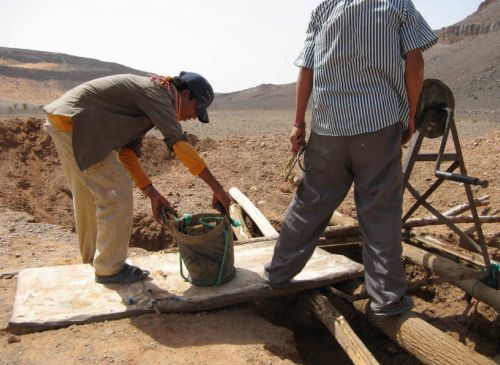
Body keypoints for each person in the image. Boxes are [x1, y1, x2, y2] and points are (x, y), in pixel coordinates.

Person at [264, 0, 437, 316]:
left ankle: (278, 273)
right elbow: (415, 61)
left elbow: (307, 67)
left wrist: (298, 122)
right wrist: (410, 114)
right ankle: (386, 300)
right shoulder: (396, 3)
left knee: (309, 203)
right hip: (378, 124)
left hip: (329, 127)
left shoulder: (323, 9)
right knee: (379, 211)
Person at [44, 72, 231, 284]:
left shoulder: (152, 96)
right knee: (117, 192)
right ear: (186, 94)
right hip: (77, 125)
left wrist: (151, 193)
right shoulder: (160, 96)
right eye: (196, 109)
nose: (194, 117)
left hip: (65, 120)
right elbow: (180, 145)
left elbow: (127, 154)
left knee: (89, 196)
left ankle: (91, 260)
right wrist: (218, 189)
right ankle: (109, 269)